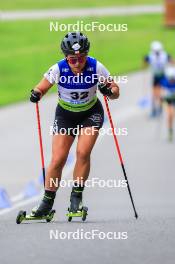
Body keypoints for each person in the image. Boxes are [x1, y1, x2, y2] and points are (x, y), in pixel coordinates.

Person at [29, 32, 120, 216]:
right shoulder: (58, 69)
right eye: (72, 60)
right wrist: (36, 93)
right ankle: (46, 203)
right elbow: (41, 87)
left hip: (91, 113)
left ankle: (76, 198)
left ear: (86, 54)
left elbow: (116, 91)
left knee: (83, 152)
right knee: (58, 159)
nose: (77, 63)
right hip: (66, 115)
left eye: (81, 58)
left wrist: (108, 91)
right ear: (65, 57)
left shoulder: (96, 66)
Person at [144, 41, 172, 117]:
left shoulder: (151, 56)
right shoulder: (164, 55)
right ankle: (156, 109)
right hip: (158, 76)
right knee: (156, 94)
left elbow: (145, 62)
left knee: (158, 94)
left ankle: (158, 109)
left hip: (161, 76)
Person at [160, 66, 175, 141]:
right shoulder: (165, 82)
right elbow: (162, 92)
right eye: (170, 79)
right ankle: (170, 131)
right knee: (170, 115)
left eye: (173, 79)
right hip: (169, 100)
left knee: (172, 115)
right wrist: (162, 98)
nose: (171, 80)